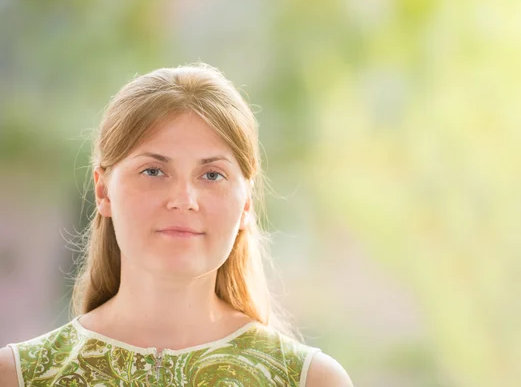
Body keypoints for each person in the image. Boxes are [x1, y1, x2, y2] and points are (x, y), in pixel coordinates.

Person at [0, 63, 353, 386]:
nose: (184, 198)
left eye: (212, 174)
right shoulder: (18, 376)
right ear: (103, 190)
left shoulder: (312, 381)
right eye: (153, 171)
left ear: (245, 203)